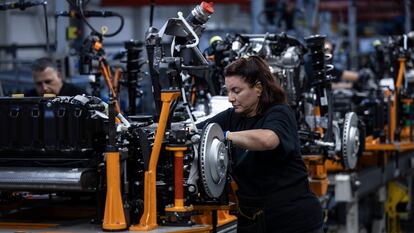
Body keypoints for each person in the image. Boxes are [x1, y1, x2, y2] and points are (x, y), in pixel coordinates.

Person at [198, 56, 323, 233]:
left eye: (236, 91)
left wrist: (225, 135)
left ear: (258, 88)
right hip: (252, 220)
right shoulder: (231, 117)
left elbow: (267, 140)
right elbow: (198, 131)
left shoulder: (279, 113)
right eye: (228, 91)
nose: (230, 98)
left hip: (293, 221)